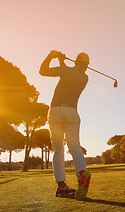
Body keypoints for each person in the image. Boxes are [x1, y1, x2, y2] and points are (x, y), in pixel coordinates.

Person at [39, 50, 91, 200]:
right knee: (74, 145)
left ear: (75, 62)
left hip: (55, 111)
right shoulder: (84, 77)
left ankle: (61, 187)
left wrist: (51, 56)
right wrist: (62, 62)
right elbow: (69, 73)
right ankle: (81, 173)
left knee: (58, 149)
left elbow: (42, 71)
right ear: (87, 66)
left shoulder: (66, 70)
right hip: (72, 111)